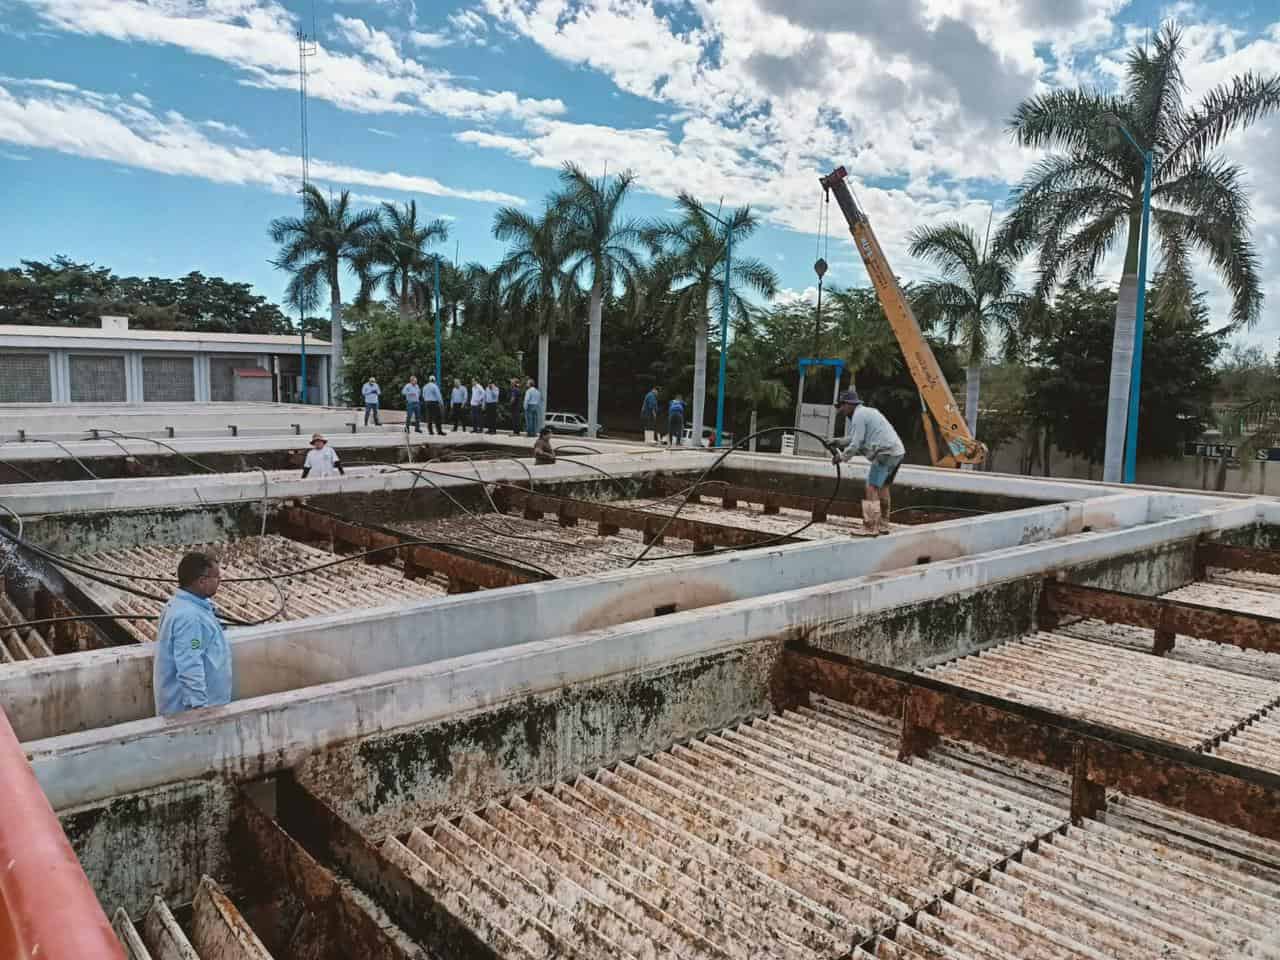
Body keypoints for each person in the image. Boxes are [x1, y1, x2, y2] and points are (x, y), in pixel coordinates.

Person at [153, 552, 232, 716]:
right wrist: (199, 708)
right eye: (217, 577)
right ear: (202, 581)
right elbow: (190, 661)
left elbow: (197, 646)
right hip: (192, 711)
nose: (220, 581)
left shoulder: (184, 605)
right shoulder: (189, 618)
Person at [826, 388, 906, 535]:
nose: (841, 410)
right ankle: (883, 524)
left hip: (885, 453)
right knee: (883, 487)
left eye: (841, 406)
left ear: (849, 404)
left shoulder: (858, 416)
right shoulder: (867, 412)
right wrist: (838, 441)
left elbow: (856, 444)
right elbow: (855, 438)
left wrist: (841, 457)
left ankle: (870, 526)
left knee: (871, 487)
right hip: (897, 452)